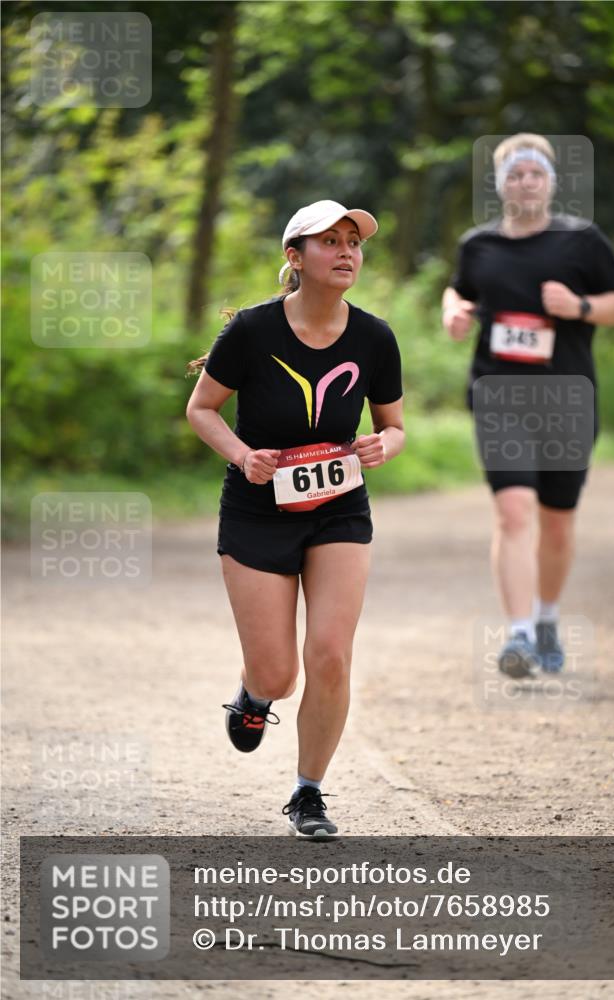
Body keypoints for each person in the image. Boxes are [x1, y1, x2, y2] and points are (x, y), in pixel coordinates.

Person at [186, 200, 404, 837]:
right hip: (258, 509)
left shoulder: (374, 337)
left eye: (353, 243)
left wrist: (382, 446)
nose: (346, 252)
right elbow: (202, 410)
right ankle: (255, 694)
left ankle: (309, 793)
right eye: (329, 242)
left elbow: (393, 428)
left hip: (339, 507)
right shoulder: (252, 331)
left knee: (331, 654)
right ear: (295, 257)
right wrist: (242, 455)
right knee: (279, 674)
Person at [442, 134, 614, 678]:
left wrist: (578, 305)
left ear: (550, 181)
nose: (524, 181)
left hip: (568, 397)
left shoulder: (582, 241)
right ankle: (520, 635)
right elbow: (458, 291)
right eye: (514, 174)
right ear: (499, 184)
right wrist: (453, 311)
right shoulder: (478, 245)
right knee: (513, 510)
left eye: (535, 173)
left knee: (556, 522)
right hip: (498, 394)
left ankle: (547, 616)